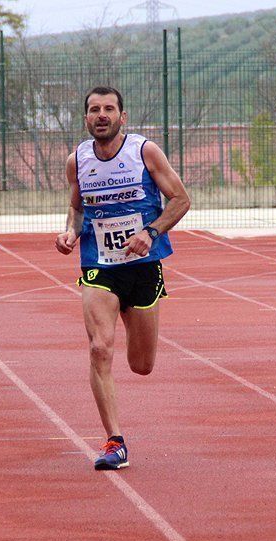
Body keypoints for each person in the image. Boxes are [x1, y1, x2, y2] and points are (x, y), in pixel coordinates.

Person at [55, 86, 191, 470]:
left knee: (141, 365)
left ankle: (134, 318)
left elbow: (180, 199)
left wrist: (150, 232)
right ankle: (115, 442)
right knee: (100, 347)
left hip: (144, 266)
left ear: (122, 117)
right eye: (94, 110)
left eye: (109, 109)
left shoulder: (144, 152)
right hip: (99, 266)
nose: (102, 115)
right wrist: (70, 233)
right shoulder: (77, 160)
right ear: (85, 118)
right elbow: (76, 209)